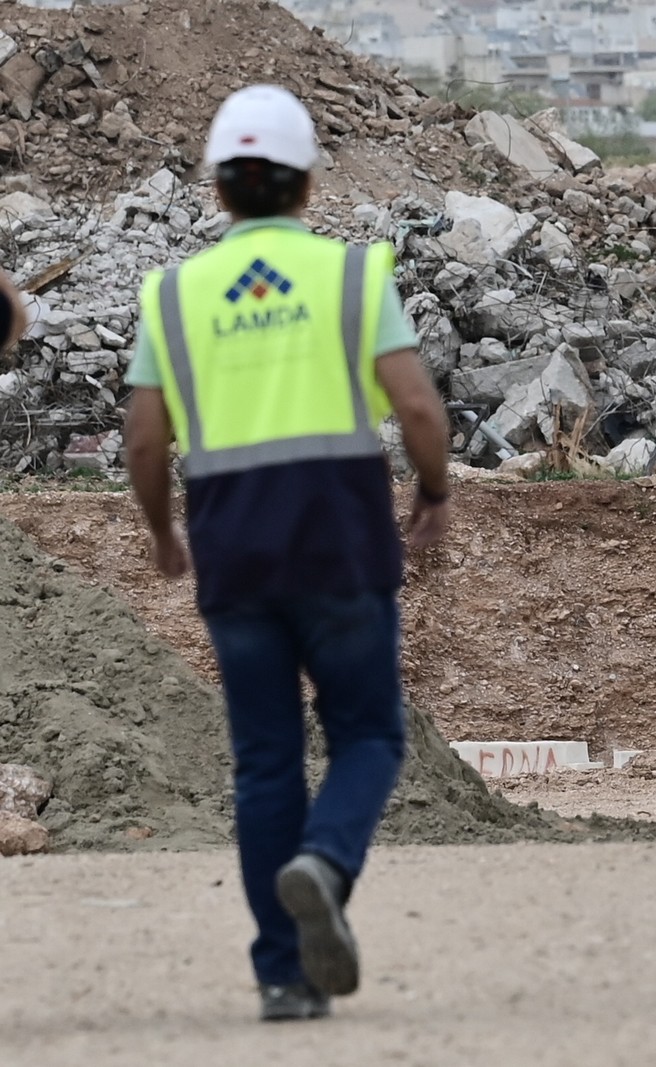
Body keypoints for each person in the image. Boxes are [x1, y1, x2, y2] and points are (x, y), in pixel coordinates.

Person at [123, 85, 451, 1023]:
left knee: (265, 762)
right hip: (342, 542)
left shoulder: (174, 294)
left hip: (235, 554)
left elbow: (145, 441)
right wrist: (432, 491)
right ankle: (328, 861)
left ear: (218, 191)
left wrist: (159, 529)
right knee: (369, 734)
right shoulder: (353, 278)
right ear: (309, 183)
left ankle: (281, 973)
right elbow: (420, 409)